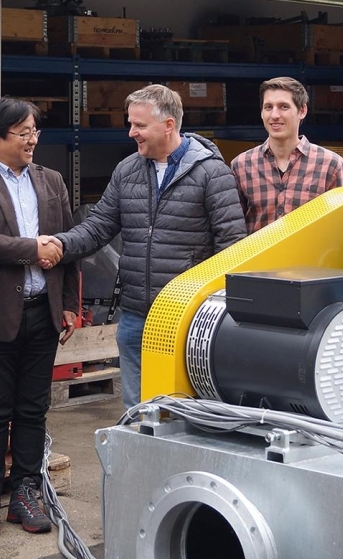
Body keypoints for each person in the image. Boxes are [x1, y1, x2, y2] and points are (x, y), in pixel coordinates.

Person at [47, 84, 245, 410]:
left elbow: (231, 247)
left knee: (184, 411)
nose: (131, 133)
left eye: (139, 125)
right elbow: (99, 227)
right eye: (130, 123)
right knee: (137, 411)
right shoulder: (128, 171)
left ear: (168, 125)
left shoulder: (212, 173)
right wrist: (59, 244)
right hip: (136, 316)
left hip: (186, 318)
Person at [0, 98, 80, 537]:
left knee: (33, 407)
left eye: (34, 132)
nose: (32, 140)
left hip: (43, 312)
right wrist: (33, 249)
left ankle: (25, 490)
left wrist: (69, 304)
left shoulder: (51, 181)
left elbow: (70, 243)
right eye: (23, 133)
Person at [231, 77, 343, 233]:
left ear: (302, 111)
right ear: (261, 112)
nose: (274, 115)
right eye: (268, 107)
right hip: (260, 258)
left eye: (283, 107)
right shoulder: (241, 166)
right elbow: (232, 230)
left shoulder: (331, 166)